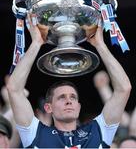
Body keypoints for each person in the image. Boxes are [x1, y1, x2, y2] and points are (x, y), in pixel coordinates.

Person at [6, 13, 131, 148]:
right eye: (61, 97)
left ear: (78, 106)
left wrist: (100, 44)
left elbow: (124, 89)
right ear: (48, 107)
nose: (68, 101)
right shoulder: (35, 134)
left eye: (73, 97)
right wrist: (36, 43)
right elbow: (14, 89)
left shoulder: (98, 131)